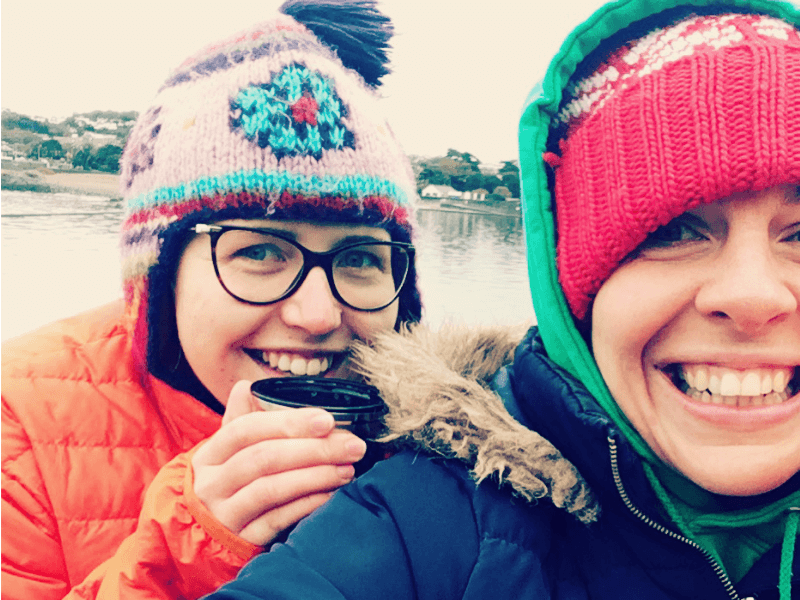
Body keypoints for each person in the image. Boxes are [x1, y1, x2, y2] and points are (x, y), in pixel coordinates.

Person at [205, 0, 800, 598]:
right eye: (670, 231)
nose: (753, 295)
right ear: (573, 299)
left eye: (799, 236)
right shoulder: (426, 524)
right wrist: (191, 539)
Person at [0, 1, 422, 598]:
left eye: (359, 259)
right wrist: (183, 560)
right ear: (159, 275)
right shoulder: (19, 420)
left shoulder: (459, 439)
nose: (318, 316)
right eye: (260, 251)